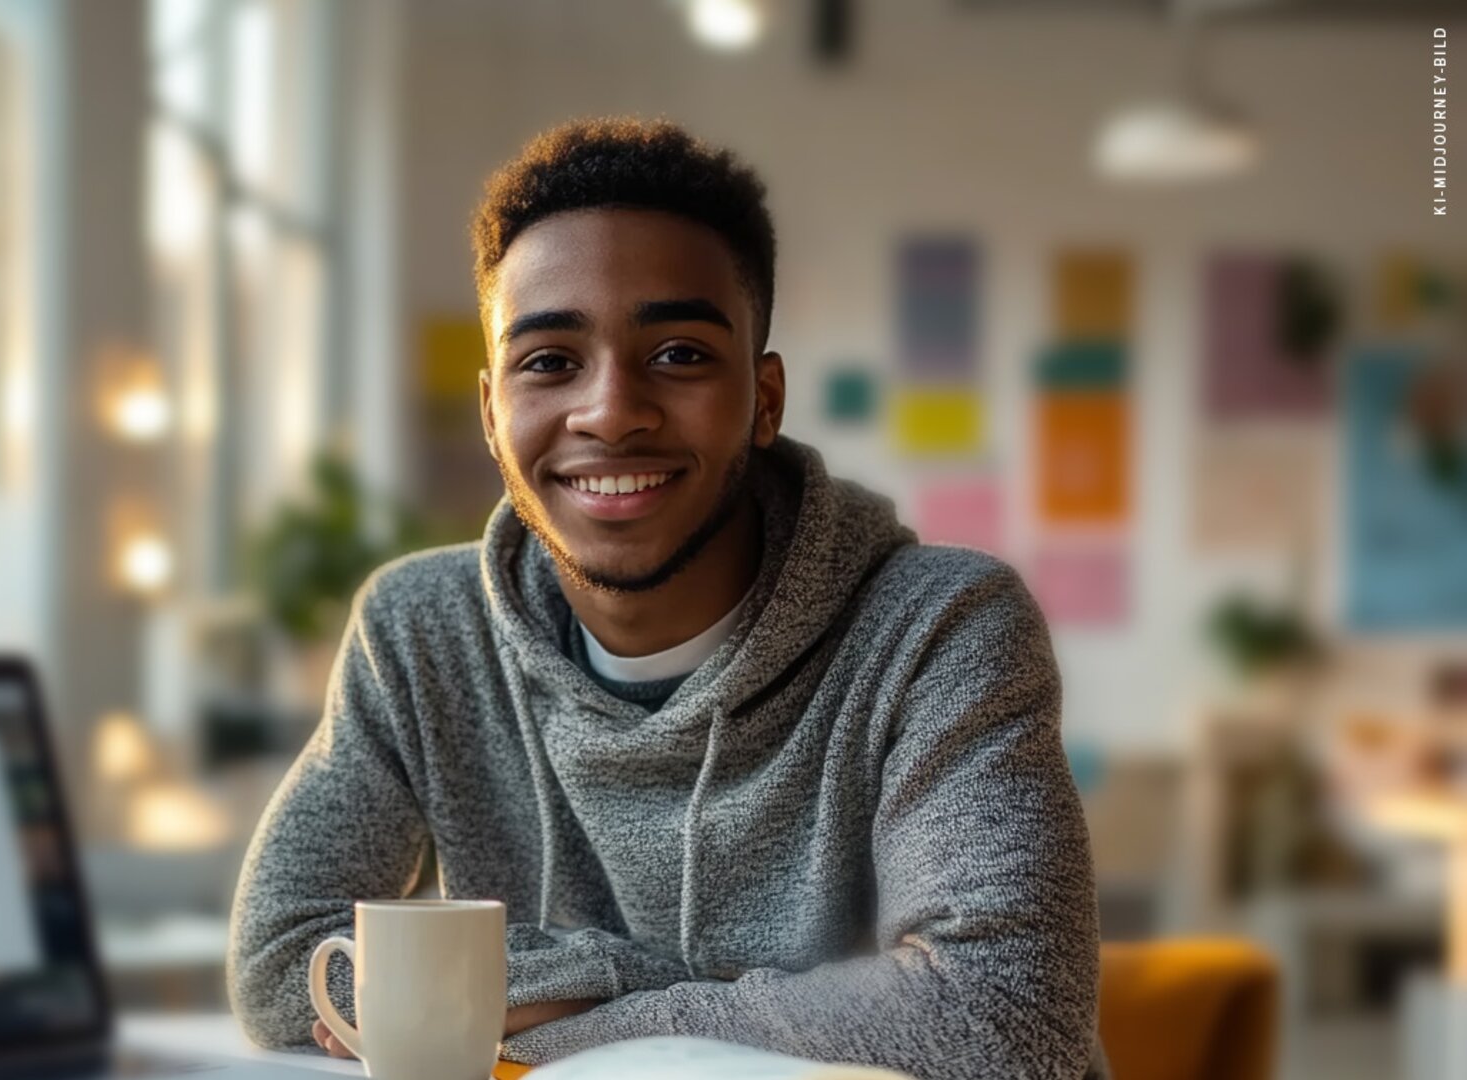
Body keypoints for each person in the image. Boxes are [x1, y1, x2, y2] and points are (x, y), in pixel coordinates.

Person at [227, 117, 1105, 1080]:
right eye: (549, 361)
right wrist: (642, 976)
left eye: (680, 353)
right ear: (492, 415)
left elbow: (1008, 1021)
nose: (610, 410)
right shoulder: (419, 632)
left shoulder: (943, 629)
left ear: (764, 399)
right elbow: (286, 968)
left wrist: (550, 1009)